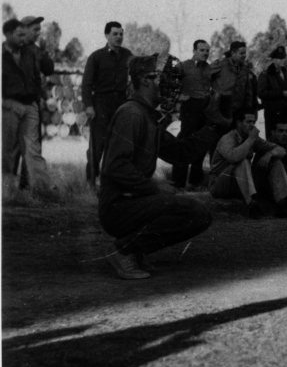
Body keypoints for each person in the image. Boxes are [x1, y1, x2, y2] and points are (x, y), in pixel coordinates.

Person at [98, 54, 219, 280]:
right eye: (164, 78)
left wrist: (212, 125)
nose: (172, 85)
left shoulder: (145, 115)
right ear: (145, 80)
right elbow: (116, 166)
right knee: (194, 212)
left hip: (129, 203)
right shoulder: (132, 114)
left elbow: (180, 153)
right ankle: (125, 251)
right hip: (118, 206)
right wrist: (155, 188)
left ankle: (132, 250)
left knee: (196, 212)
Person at [208, 107, 287, 219]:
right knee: (243, 161)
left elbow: (281, 150)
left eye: (253, 122)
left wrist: (270, 154)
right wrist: (250, 139)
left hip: (240, 183)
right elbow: (234, 157)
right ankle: (252, 206)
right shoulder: (227, 139)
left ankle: (282, 205)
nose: (252, 125)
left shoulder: (252, 138)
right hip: (219, 184)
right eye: (248, 122)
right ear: (239, 123)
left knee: (275, 161)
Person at [82, 21, 133, 184]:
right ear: (106, 35)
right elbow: (86, 84)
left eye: (121, 34)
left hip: (121, 104)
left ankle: (112, 182)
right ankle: (91, 182)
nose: (119, 37)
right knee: (98, 145)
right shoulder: (96, 57)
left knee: (119, 145)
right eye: (115, 34)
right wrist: (89, 106)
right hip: (101, 104)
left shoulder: (127, 55)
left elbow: (136, 76)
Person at [2, 19, 50, 192]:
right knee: (6, 150)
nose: (23, 39)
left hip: (30, 106)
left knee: (33, 150)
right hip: (9, 106)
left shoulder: (29, 53)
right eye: (19, 35)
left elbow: (37, 77)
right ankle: (5, 192)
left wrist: (36, 98)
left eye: (24, 35)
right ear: (8, 34)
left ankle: (43, 191)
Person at [13, 16, 54, 188]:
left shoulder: (36, 51)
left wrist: (43, 51)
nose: (39, 33)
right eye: (35, 29)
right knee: (13, 147)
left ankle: (25, 186)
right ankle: (7, 186)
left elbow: (49, 69)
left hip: (32, 104)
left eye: (39, 30)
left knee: (33, 146)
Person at [172, 39, 212, 190]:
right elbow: (166, 83)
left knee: (201, 145)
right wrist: (178, 97)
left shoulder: (209, 68)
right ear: (194, 51)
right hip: (190, 107)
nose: (205, 53)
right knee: (185, 143)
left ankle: (195, 183)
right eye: (202, 50)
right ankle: (178, 183)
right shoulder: (183, 66)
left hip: (205, 108)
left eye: (207, 51)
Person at [207, 41, 252, 132]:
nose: (244, 56)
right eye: (241, 53)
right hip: (221, 110)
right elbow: (205, 76)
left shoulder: (244, 69)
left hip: (237, 111)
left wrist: (248, 108)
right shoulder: (221, 64)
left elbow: (248, 90)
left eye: (245, 53)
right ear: (233, 53)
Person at [258, 45, 287, 140]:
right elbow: (261, 93)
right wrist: (281, 93)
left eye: (283, 58)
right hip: (274, 114)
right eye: (279, 59)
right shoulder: (266, 74)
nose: (282, 61)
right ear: (274, 60)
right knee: (274, 140)